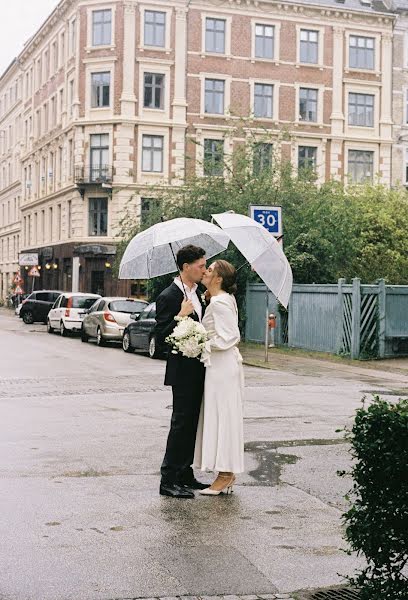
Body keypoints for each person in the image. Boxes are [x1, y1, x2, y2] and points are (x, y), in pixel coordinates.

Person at [155, 245, 209, 499]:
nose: (204, 269)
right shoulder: (169, 295)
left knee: (191, 423)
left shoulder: (197, 293)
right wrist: (180, 315)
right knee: (180, 424)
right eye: (200, 265)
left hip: (197, 367)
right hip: (182, 370)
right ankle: (168, 479)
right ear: (186, 267)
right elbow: (162, 335)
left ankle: (184, 473)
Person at [194, 260, 245, 495]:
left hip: (223, 367)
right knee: (220, 415)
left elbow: (230, 337)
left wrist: (200, 342)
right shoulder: (220, 299)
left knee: (223, 416)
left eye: (210, 270)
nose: (205, 271)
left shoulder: (220, 302)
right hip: (219, 367)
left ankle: (225, 474)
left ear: (219, 279)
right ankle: (224, 472)